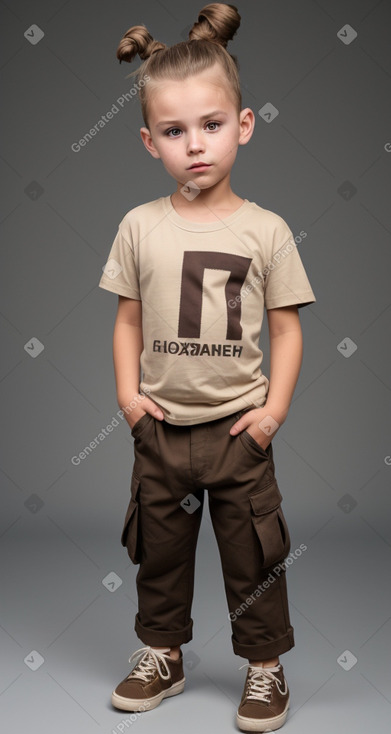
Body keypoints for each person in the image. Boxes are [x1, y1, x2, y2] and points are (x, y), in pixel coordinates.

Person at [98, 3, 316, 731]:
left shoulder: (266, 230)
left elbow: (285, 331)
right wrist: (129, 399)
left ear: (243, 124)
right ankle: (162, 652)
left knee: (253, 556)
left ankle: (263, 665)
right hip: (159, 431)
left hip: (236, 434)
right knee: (158, 553)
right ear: (147, 140)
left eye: (211, 125)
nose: (195, 145)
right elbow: (127, 318)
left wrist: (270, 416)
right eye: (173, 131)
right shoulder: (138, 225)